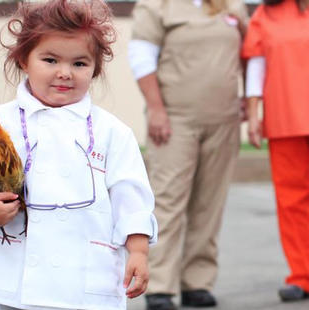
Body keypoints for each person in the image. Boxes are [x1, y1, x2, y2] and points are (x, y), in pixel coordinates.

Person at [0, 1, 158, 309]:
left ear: (95, 69)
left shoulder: (113, 132)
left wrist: (138, 252)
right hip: (16, 275)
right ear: (24, 59)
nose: (64, 73)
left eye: (80, 64)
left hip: (84, 278)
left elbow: (130, 195)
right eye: (50, 60)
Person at [128, 0, 248, 309]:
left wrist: (248, 96)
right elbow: (141, 58)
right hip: (174, 119)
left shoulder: (231, 5)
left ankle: (198, 282)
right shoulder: (157, 6)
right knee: (167, 200)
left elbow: (248, 52)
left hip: (224, 119)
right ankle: (159, 287)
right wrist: (155, 109)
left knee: (210, 202)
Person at [242, 0, 309, 303]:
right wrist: (254, 115)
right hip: (287, 117)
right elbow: (257, 64)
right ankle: (302, 275)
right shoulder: (265, 14)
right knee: (292, 201)